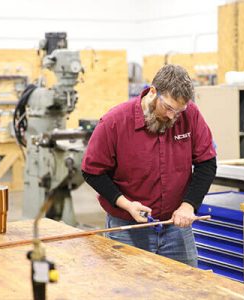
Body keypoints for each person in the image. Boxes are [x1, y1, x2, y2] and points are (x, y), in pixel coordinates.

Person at [81, 64, 216, 267]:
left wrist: (188, 206)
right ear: (153, 92)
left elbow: (207, 162)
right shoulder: (115, 122)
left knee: (186, 290)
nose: (173, 117)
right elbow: (92, 171)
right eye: (168, 108)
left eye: (179, 111)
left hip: (176, 227)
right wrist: (126, 204)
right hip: (128, 228)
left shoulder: (190, 116)